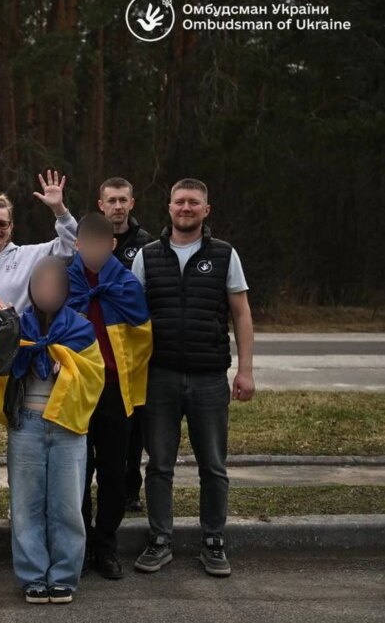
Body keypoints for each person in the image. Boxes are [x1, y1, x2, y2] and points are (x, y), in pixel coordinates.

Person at [130, 178, 255, 578]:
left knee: (213, 465)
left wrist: (246, 370)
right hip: (159, 377)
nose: (186, 208)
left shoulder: (224, 254)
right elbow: (131, 316)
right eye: (180, 201)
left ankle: (213, 541)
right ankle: (160, 539)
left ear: (206, 209)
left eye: (194, 202)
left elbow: (241, 314)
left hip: (209, 378)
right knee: (159, 465)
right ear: (169, 207)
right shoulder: (147, 256)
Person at [0, 170, 79, 532]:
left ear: (11, 227)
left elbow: (70, 246)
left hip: (22, 356)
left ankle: (22, 500)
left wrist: (59, 210)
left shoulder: (28, 255)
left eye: (3, 224)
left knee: (24, 433)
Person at [0, 256, 105, 605]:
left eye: (55, 285)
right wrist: (9, 333)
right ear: (31, 288)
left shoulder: (81, 328)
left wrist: (67, 368)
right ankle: (32, 576)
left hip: (68, 426)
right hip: (27, 424)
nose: (47, 291)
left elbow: (94, 376)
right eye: (40, 284)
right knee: (26, 505)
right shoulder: (18, 326)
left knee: (67, 506)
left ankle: (64, 576)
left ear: (66, 290)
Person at [66, 213, 152, 580]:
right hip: (77, 389)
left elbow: (143, 338)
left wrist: (125, 375)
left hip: (116, 390)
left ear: (113, 244)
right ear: (77, 244)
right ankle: (82, 543)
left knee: (114, 472)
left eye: (102, 244)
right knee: (78, 471)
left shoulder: (126, 284)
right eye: (88, 244)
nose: (95, 250)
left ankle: (106, 544)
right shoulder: (66, 281)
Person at [97, 176, 155, 513]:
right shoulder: (89, 241)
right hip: (101, 350)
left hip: (135, 352)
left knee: (134, 426)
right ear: (101, 205)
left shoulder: (148, 245)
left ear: (132, 203)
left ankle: (131, 490)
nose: (117, 206)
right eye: (112, 200)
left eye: (123, 200)